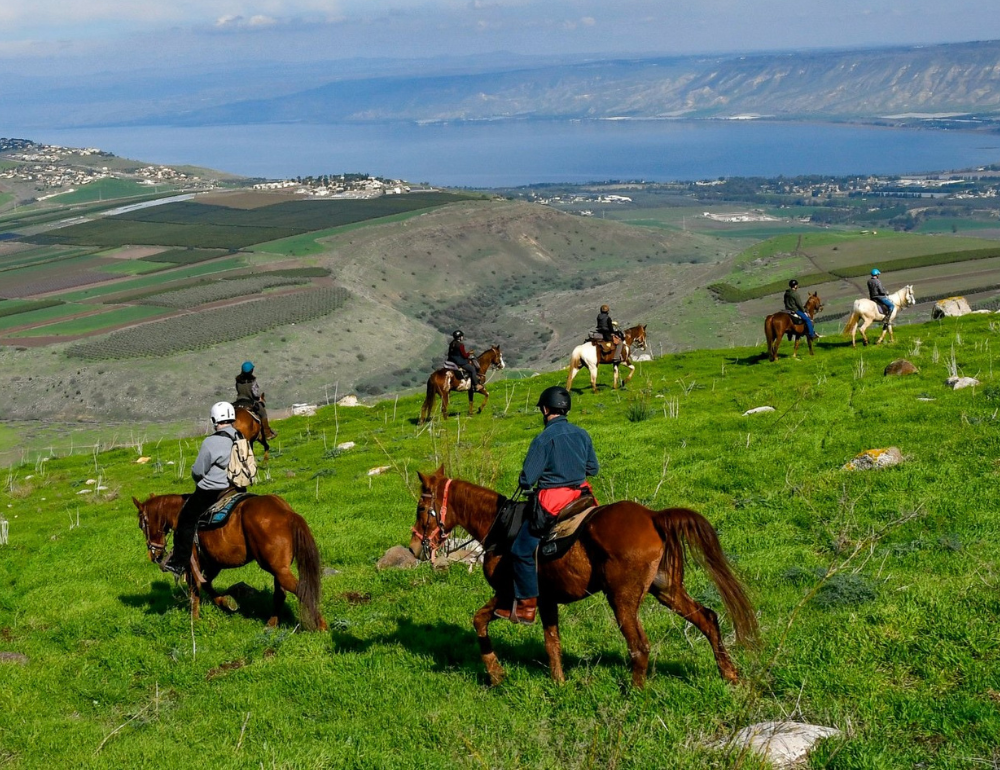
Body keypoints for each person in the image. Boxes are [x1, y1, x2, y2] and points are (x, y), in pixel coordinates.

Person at [496, 385, 599, 625]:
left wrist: (531, 480)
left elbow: (526, 479)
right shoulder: (582, 434)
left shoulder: (543, 439)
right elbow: (593, 469)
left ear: (545, 409)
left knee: (521, 549)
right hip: (581, 498)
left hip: (554, 502)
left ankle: (527, 606)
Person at [161, 402, 240, 578]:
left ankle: (179, 563)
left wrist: (199, 480)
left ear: (214, 420)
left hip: (213, 491)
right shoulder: (241, 437)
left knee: (185, 519)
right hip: (235, 488)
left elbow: (198, 471)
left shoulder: (211, 441)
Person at [235, 361, 276, 439]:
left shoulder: (238, 380)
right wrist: (259, 398)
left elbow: (238, 390)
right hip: (249, 401)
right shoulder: (252, 381)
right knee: (263, 412)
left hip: (239, 401)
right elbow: (255, 394)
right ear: (251, 371)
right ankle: (267, 433)